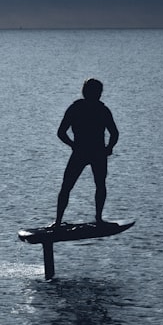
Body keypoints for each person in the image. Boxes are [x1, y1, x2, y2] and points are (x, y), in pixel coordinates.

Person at [52, 78, 119, 226]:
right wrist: (73, 145)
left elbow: (114, 133)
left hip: (92, 153)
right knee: (68, 186)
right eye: (97, 92)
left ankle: (97, 218)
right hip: (85, 152)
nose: (98, 95)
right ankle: (59, 221)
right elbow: (61, 132)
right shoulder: (78, 108)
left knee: (97, 185)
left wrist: (108, 148)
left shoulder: (101, 110)